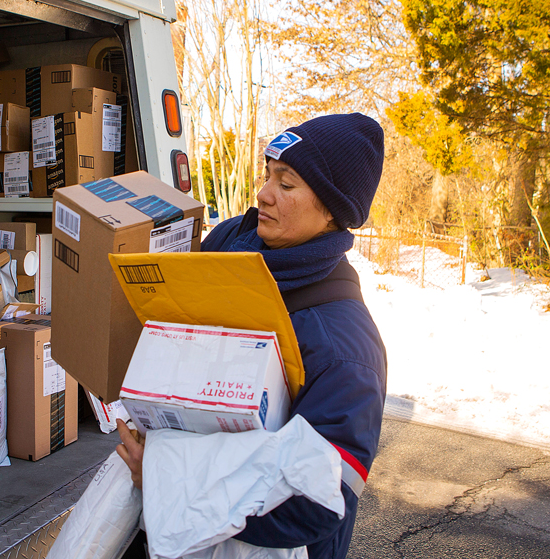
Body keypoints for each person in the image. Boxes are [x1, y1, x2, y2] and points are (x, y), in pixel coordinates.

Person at [117, 113, 388, 559]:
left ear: (332, 211)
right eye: (267, 175)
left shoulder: (344, 348)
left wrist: (170, 479)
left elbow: (318, 499)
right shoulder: (229, 243)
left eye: (286, 184)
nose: (263, 194)